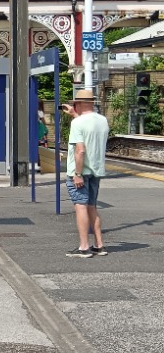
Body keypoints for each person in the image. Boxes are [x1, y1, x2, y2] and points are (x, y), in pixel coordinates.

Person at [62, 88, 110, 257]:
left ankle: (84, 247)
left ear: (80, 104)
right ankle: (99, 245)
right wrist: (75, 115)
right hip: (96, 172)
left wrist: (77, 173)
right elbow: (89, 132)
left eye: (75, 103)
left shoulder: (78, 123)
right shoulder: (103, 120)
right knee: (92, 207)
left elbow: (80, 150)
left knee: (80, 207)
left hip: (80, 172)